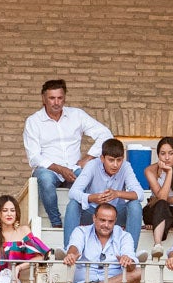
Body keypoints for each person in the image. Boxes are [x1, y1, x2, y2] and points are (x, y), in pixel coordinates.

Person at [23, 79, 113, 228]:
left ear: (64, 98)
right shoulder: (33, 121)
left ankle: (85, 223)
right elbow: (34, 157)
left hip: (74, 168)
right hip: (49, 169)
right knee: (45, 179)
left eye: (60, 98)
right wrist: (60, 169)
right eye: (52, 98)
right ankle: (56, 223)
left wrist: (88, 158)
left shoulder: (77, 115)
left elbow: (105, 134)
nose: (56, 102)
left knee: (91, 177)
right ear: (43, 99)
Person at [63, 138, 145, 251]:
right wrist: (92, 198)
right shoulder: (92, 165)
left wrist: (117, 194)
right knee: (73, 204)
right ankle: (69, 250)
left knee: (135, 205)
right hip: (92, 213)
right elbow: (73, 192)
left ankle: (129, 253)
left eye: (119, 160)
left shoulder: (126, 166)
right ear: (102, 158)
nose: (115, 165)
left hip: (115, 214)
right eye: (111, 160)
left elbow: (140, 194)